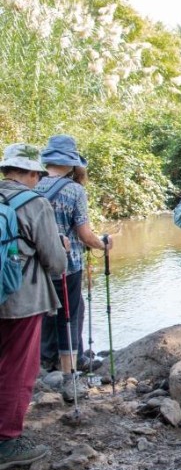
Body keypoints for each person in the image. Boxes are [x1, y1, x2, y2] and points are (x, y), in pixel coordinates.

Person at [0, 143, 67, 470]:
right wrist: (63, 248)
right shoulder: (35, 203)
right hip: (21, 301)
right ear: (30, 173)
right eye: (36, 174)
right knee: (18, 368)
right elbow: (55, 263)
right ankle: (7, 441)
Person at [35, 135, 112, 385]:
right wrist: (103, 244)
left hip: (36, 265)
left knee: (46, 312)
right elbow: (84, 233)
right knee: (71, 312)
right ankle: (70, 367)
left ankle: (46, 362)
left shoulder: (32, 184)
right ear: (71, 163)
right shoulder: (74, 190)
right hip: (69, 263)